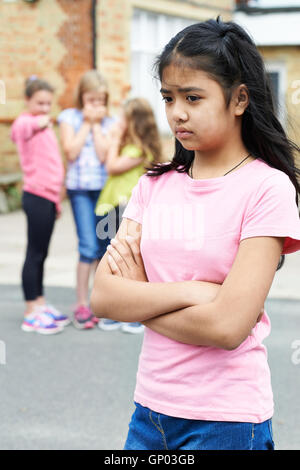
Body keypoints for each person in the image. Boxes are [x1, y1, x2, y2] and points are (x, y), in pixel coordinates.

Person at [90, 17, 300, 450]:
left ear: (239, 98)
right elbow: (104, 298)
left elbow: (227, 327)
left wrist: (141, 299)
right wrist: (197, 292)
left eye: (193, 97)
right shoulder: (153, 185)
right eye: (168, 97)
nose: (176, 112)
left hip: (226, 420)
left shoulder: (267, 188)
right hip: (149, 413)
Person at [95, 97, 162, 334]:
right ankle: (115, 311)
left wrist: (113, 139)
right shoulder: (129, 147)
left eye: (122, 118)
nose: (117, 122)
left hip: (123, 209)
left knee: (123, 259)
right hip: (110, 206)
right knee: (111, 259)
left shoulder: (137, 150)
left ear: (134, 123)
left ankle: (130, 313)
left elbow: (111, 166)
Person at [57, 70, 116, 330]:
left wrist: (98, 127)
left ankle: (101, 303)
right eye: (91, 99)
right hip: (80, 190)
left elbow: (105, 156)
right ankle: (81, 303)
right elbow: (71, 151)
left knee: (105, 249)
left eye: (101, 100)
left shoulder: (111, 122)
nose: (96, 105)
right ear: (82, 97)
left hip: (105, 191)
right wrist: (88, 124)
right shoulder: (69, 118)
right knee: (87, 247)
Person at [11, 76, 69, 335]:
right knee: (34, 253)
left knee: (42, 253)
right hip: (35, 195)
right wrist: (38, 121)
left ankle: (41, 304)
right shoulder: (26, 123)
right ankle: (30, 311)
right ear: (28, 101)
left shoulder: (44, 127)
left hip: (48, 197)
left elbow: (52, 165)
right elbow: (18, 131)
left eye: (48, 104)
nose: (45, 109)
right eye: (39, 103)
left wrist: (57, 200)